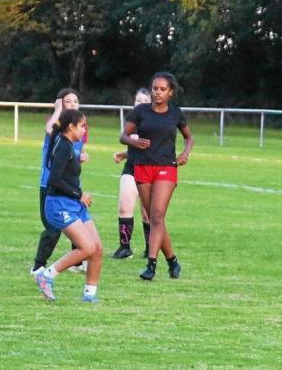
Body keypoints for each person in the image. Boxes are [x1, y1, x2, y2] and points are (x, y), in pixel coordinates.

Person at [119, 72, 194, 280]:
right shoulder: (140, 111)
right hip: (142, 166)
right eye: (154, 89)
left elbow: (189, 138)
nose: (157, 93)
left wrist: (185, 154)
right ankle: (173, 261)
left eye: (162, 89)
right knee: (154, 219)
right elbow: (123, 136)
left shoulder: (175, 113)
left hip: (166, 168)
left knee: (157, 215)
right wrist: (133, 142)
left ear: (170, 92)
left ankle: (151, 265)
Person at [34, 109, 103, 302]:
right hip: (59, 204)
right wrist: (79, 194)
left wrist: (77, 159)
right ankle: (46, 275)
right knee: (87, 248)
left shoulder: (69, 144)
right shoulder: (63, 146)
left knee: (97, 248)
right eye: (82, 126)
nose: (85, 129)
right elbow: (54, 180)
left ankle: (90, 295)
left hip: (74, 204)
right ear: (71, 127)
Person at [30, 88, 89, 276]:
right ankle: (38, 265)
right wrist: (57, 109)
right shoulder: (56, 128)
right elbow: (49, 130)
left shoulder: (79, 127)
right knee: (53, 226)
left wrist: (81, 157)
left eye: (75, 101)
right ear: (60, 103)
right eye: (67, 101)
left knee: (77, 220)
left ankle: (78, 261)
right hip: (51, 184)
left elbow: (73, 155)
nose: (72, 104)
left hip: (71, 184)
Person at [111, 88, 152, 259]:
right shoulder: (131, 121)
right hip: (131, 168)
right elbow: (132, 143)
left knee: (147, 212)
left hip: (150, 169)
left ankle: (151, 248)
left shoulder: (155, 122)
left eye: (144, 101)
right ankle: (125, 247)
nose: (140, 103)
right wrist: (124, 153)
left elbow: (154, 147)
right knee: (124, 205)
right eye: (138, 100)